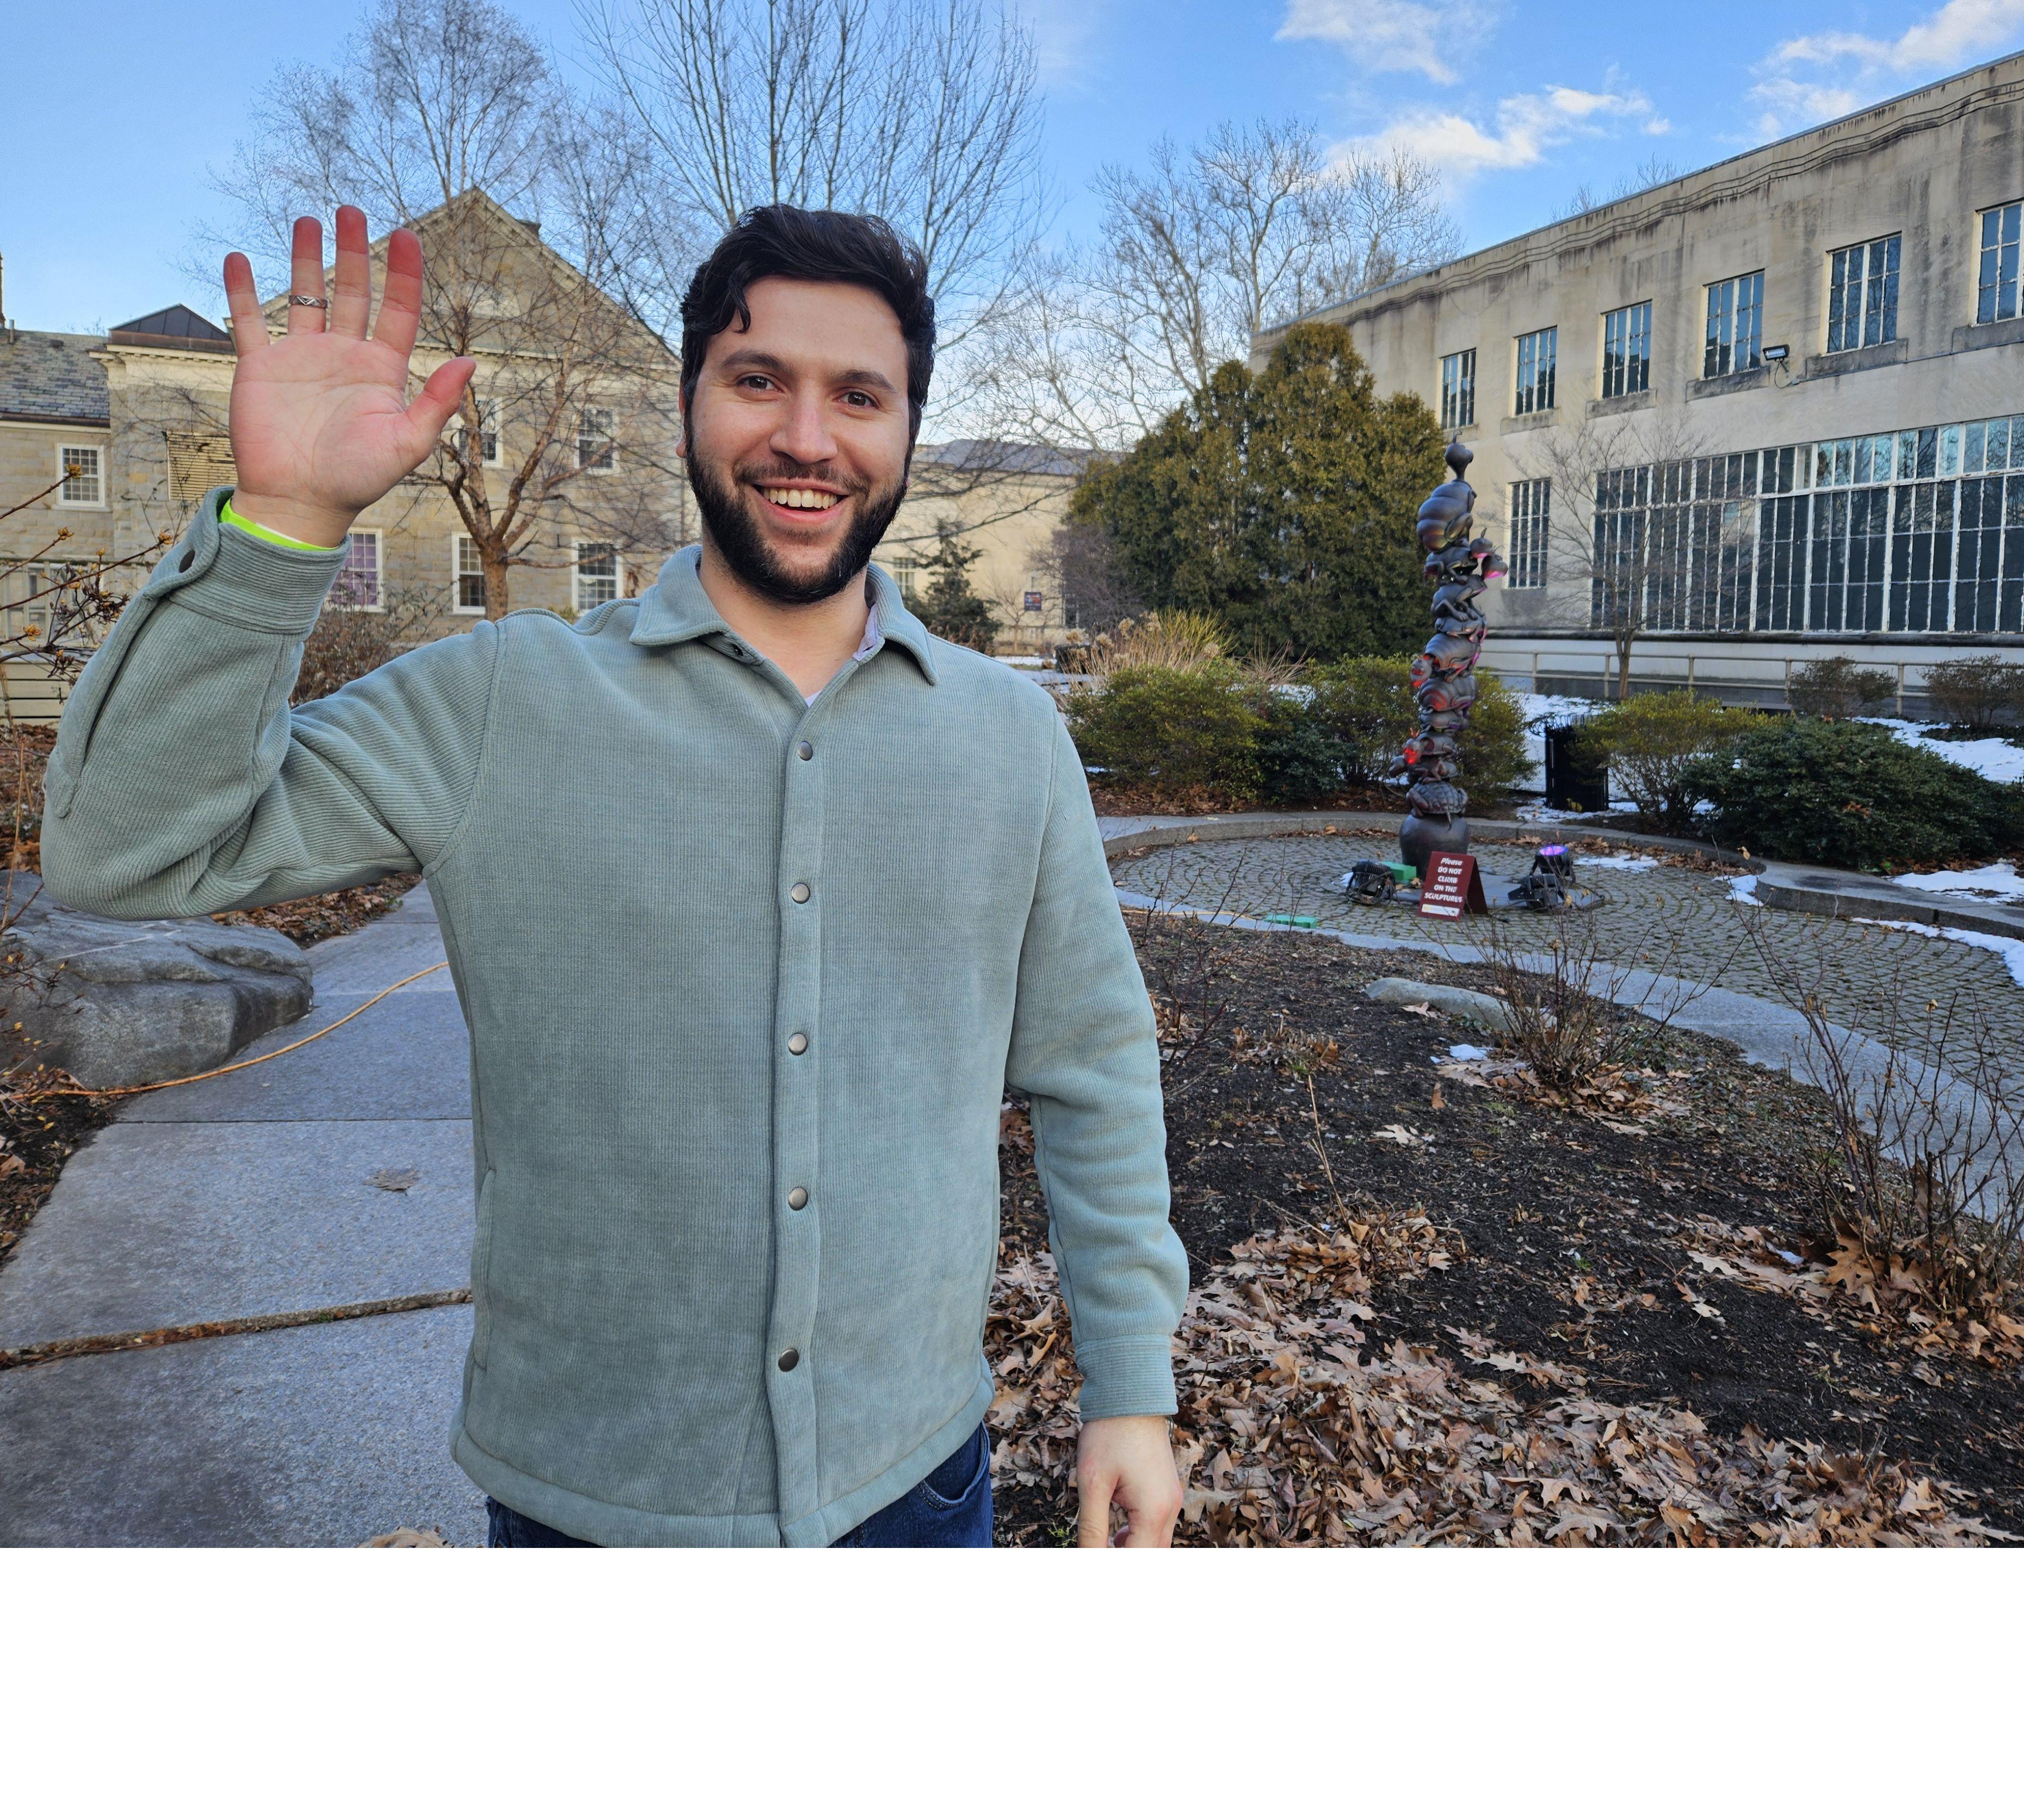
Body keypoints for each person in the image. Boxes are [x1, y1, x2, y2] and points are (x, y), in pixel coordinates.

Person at [42, 202, 1189, 1548]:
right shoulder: (501, 702)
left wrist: (1131, 1387)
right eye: (758, 379)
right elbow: (126, 845)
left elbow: (1094, 1066)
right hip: (585, 1503)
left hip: (915, 1481)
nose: (807, 437)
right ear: (688, 400)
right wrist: (285, 520)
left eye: (858, 394)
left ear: (906, 429)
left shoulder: (1010, 732)